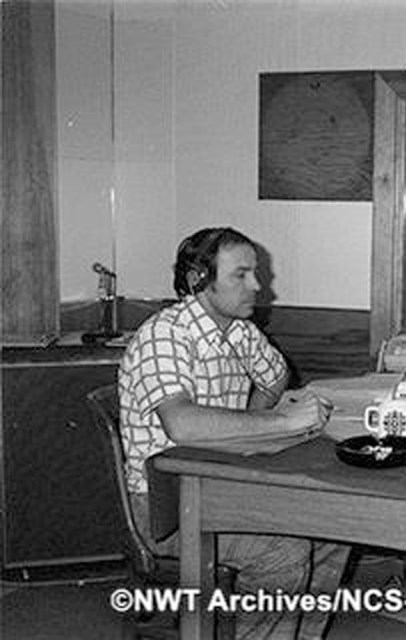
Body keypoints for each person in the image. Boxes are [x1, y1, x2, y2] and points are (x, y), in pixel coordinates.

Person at [118, 227, 348, 640]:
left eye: (255, 273)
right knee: (282, 553)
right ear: (197, 279)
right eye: (240, 275)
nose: (257, 286)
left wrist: (246, 428)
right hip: (163, 506)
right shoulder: (164, 335)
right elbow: (182, 424)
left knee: (338, 526)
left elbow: (276, 377)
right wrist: (280, 424)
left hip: (220, 484)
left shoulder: (239, 330)